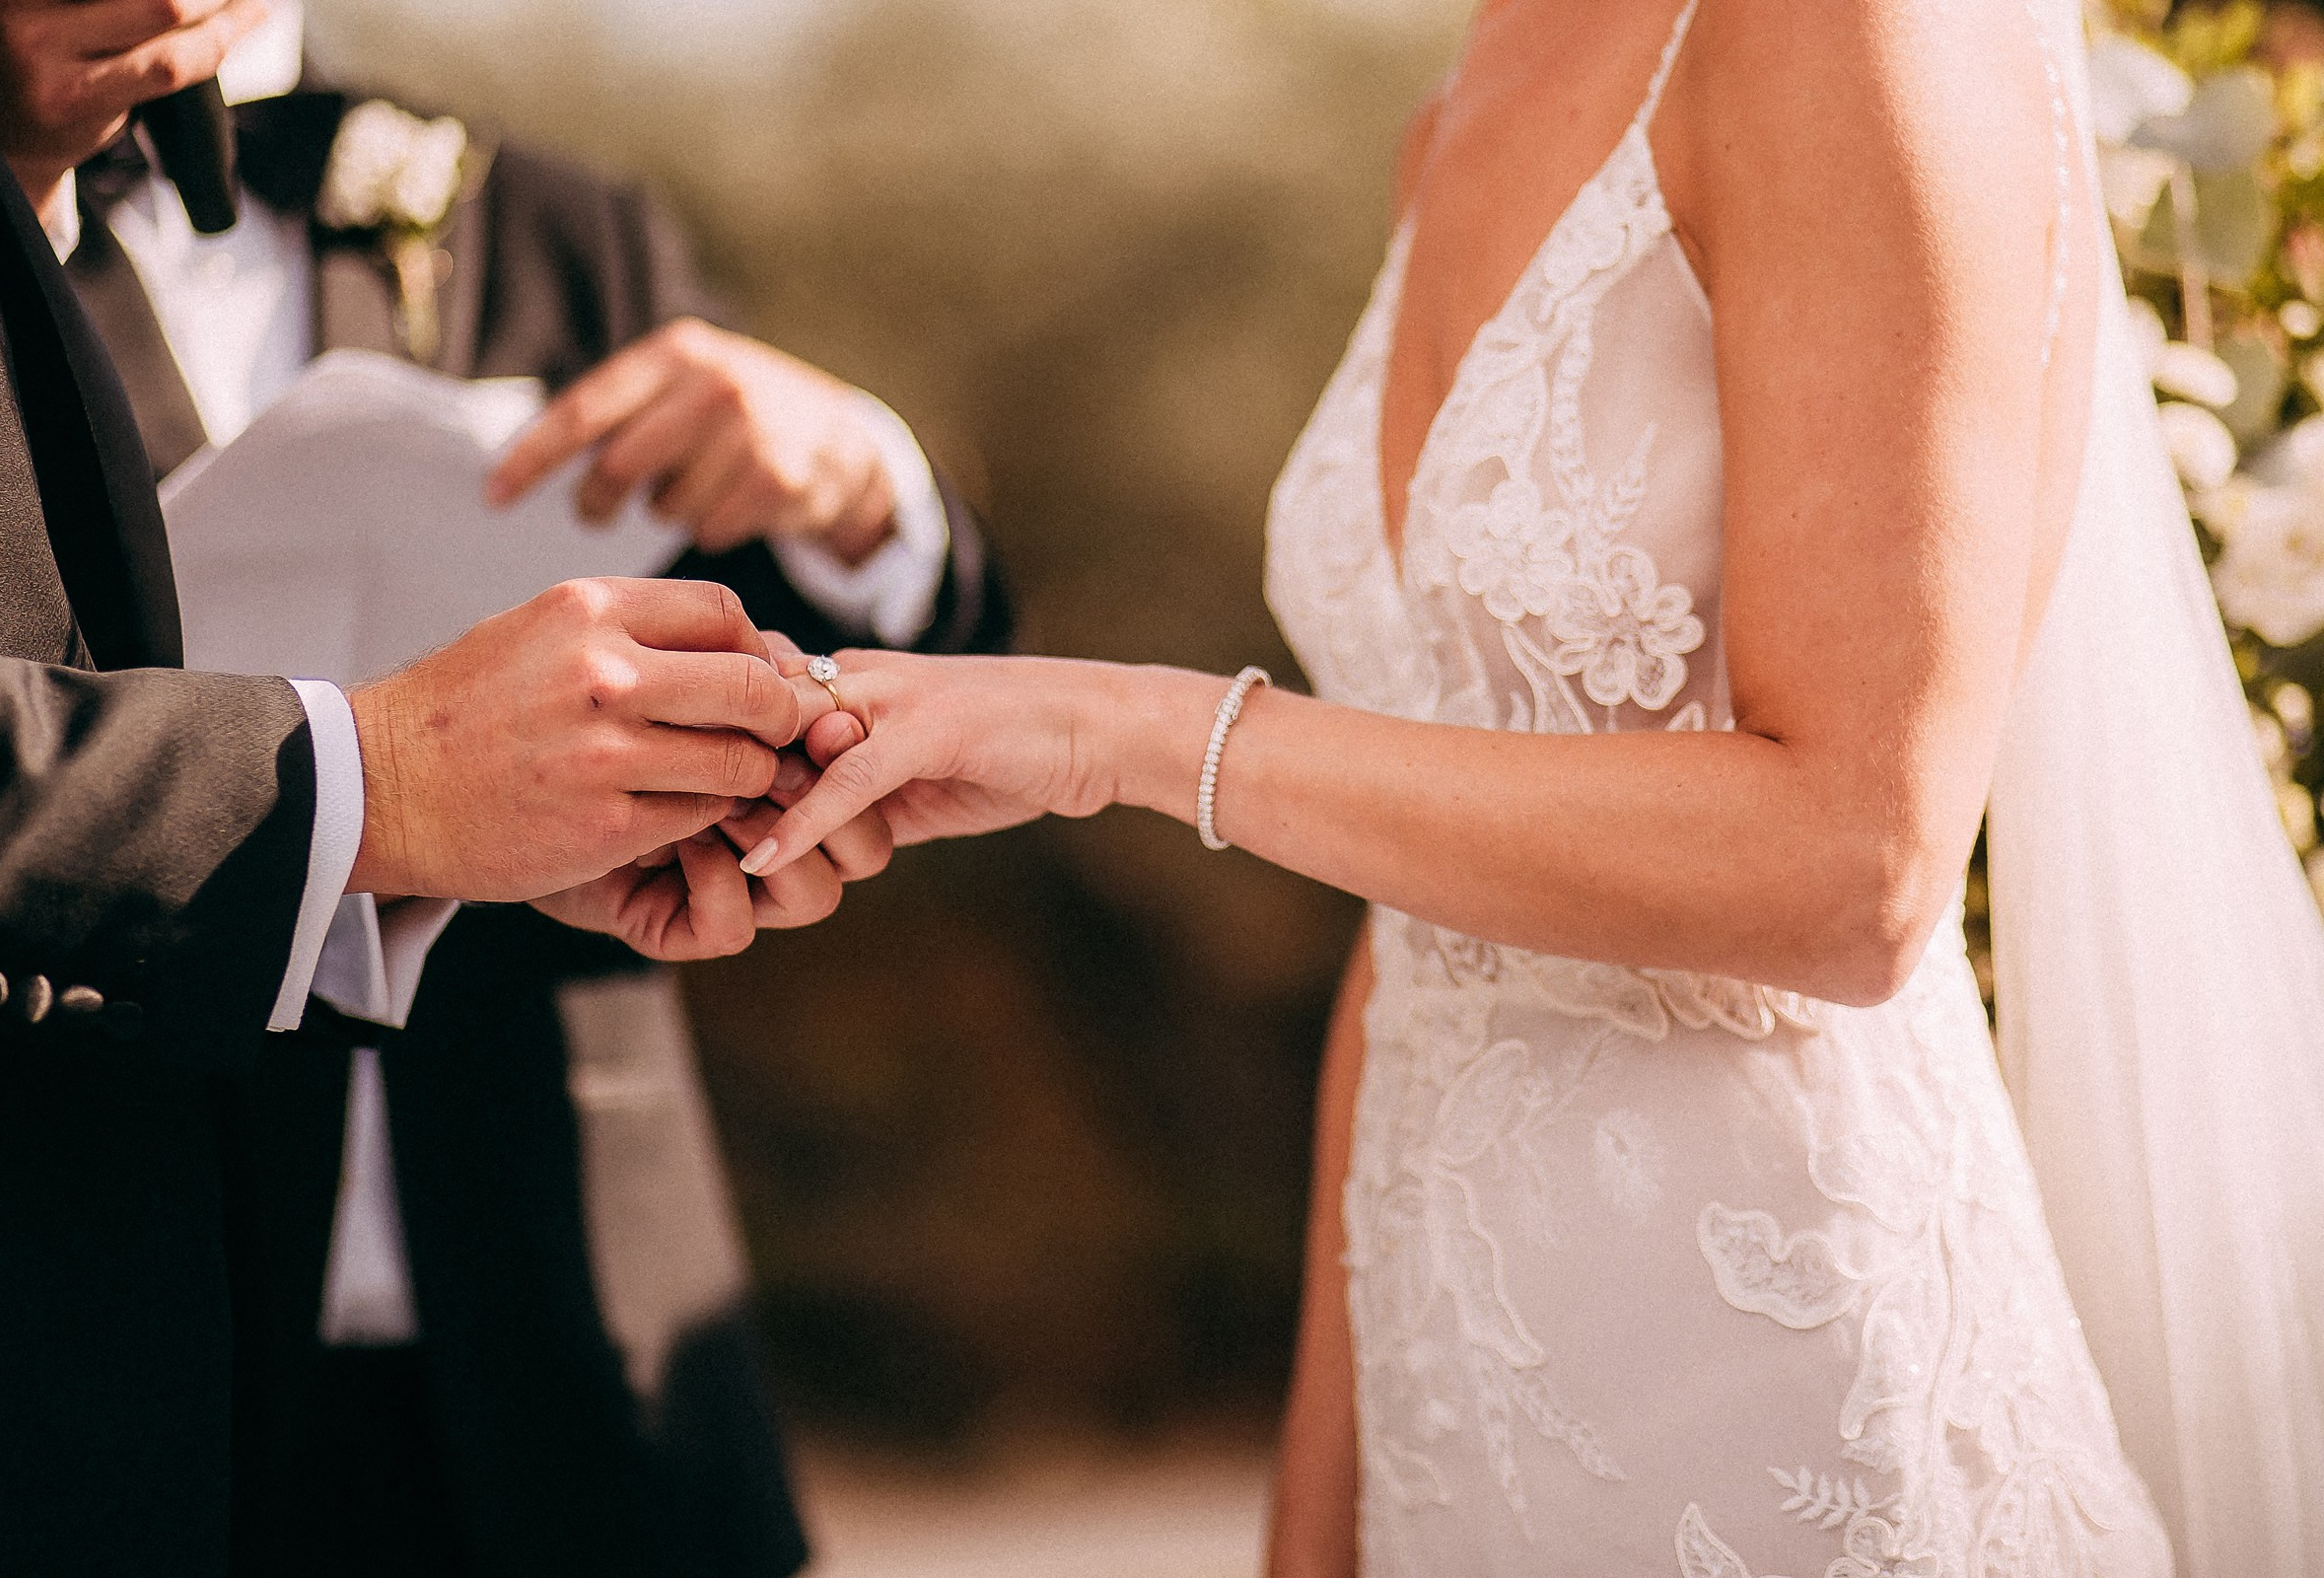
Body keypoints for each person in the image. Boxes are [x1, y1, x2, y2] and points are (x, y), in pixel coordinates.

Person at [748, 1, 2324, 1574]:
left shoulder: (1854, 34)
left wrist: (1134, 738)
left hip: (1790, 1406)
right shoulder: (1452, 114)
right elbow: (1424, 933)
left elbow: (1861, 867)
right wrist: (1318, 1526)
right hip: (1463, 1419)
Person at [51, 9, 1010, 1573]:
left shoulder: (552, 224)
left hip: (583, 1337)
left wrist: (858, 489)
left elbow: (896, 680)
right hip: (120, 1355)